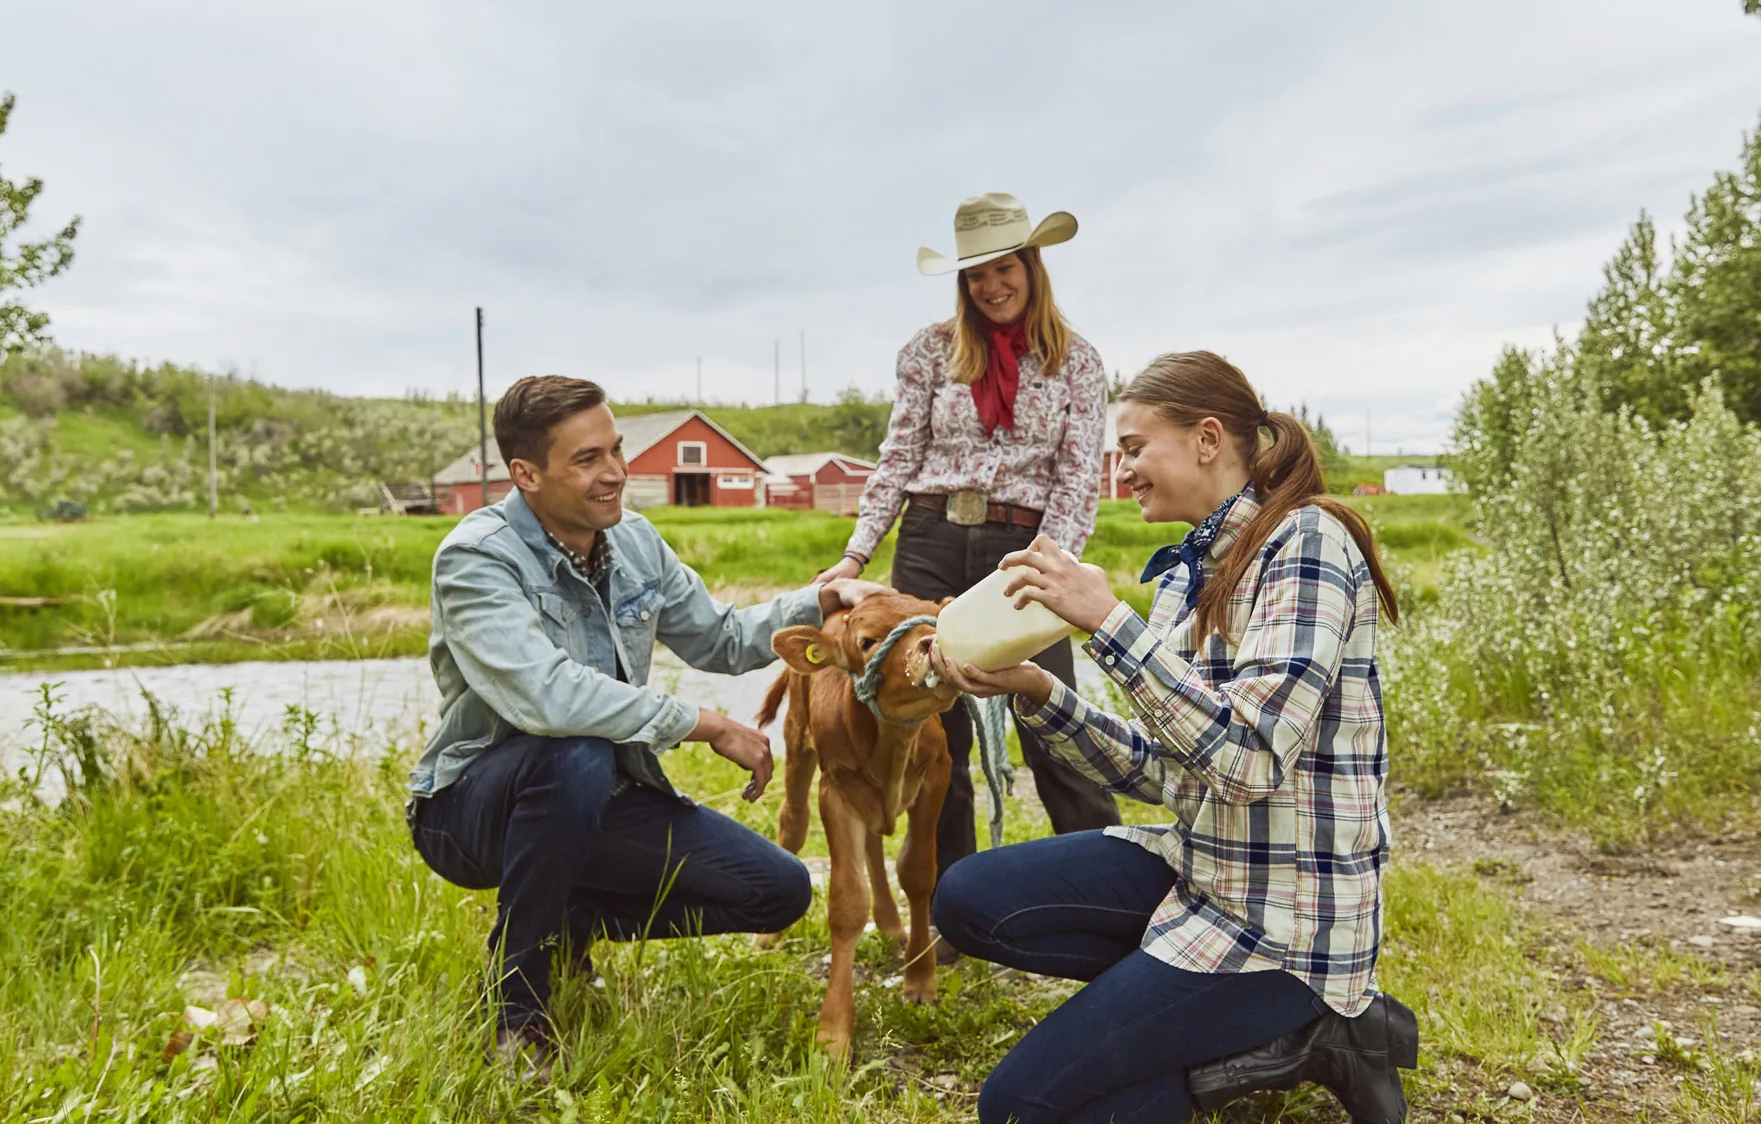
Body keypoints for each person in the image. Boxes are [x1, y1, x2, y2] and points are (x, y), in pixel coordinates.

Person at [929, 351, 1418, 1124]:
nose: (1121, 468)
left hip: (1284, 924)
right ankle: (1189, 1012)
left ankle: (1306, 1026)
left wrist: (1109, 622)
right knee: (964, 897)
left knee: (1021, 1107)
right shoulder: (1185, 576)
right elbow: (1161, 770)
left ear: (1207, 438)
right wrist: (1038, 691)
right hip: (1201, 870)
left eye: (1132, 446)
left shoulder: (1308, 544)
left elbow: (1251, 760)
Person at [407, 374, 887, 1078]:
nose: (615, 474)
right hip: (472, 807)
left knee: (776, 890)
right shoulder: (476, 558)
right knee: (572, 752)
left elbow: (721, 636)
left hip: (594, 796)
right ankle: (518, 1007)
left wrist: (822, 598)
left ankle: (558, 917)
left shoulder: (633, 540)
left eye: (616, 449)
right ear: (526, 474)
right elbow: (548, 696)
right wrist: (705, 723)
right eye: (587, 459)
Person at [815, 192, 1120, 893]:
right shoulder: (928, 351)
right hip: (931, 537)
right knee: (933, 725)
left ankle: (1107, 889)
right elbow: (897, 457)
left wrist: (1049, 564)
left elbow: (1077, 479)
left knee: (1053, 717)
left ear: (1031, 267)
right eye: (975, 274)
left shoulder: (1076, 362)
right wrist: (858, 552)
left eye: (1004, 267)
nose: (991, 285)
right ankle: (949, 901)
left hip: (1025, 546)